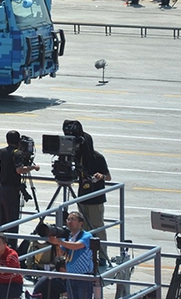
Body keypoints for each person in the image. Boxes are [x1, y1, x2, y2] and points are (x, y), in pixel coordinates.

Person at [70, 120, 111, 265]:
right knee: (84, 228)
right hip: (82, 197)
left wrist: (101, 176)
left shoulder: (97, 157)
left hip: (96, 198)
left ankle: (103, 257)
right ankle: (85, 255)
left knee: (97, 226)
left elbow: (109, 176)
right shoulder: (78, 158)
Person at [0, 131, 40, 244]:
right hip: (11, 190)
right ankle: (11, 244)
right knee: (12, 220)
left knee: (2, 219)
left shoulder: (1, 152)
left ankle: (1, 243)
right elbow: (19, 170)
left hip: (1, 189)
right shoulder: (17, 153)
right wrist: (33, 167)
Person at [47, 212, 94, 299]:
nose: (70, 222)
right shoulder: (68, 237)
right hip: (70, 276)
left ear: (81, 223)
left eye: (73, 219)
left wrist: (59, 242)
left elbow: (76, 246)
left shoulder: (87, 235)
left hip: (84, 276)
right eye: (68, 219)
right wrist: (55, 241)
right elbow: (60, 254)